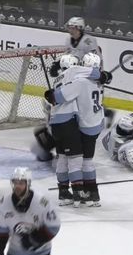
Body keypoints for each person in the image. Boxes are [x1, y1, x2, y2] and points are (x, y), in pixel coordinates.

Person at [45, 52, 108, 206]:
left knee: (66, 159)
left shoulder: (76, 81)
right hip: (93, 124)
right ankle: (90, 195)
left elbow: (56, 98)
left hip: (68, 123)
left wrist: (50, 95)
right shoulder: (98, 83)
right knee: (84, 161)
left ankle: (69, 194)